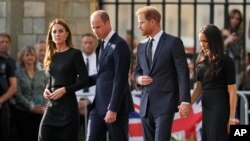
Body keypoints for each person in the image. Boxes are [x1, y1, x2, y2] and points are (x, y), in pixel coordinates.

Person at [134, 6, 191, 141]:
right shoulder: (141, 45)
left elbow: (183, 72)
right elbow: (137, 72)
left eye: (141, 22)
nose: (139, 26)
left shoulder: (173, 42)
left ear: (152, 22)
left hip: (166, 103)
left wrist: (185, 101)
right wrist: (139, 79)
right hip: (145, 105)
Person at [86, 10, 134, 141]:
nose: (95, 30)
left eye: (98, 27)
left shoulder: (120, 45)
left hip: (115, 108)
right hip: (98, 106)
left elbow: (120, 79)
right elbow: (104, 75)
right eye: (93, 27)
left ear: (108, 23)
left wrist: (113, 109)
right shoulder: (101, 44)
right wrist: (82, 81)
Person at [38, 18, 89, 141]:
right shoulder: (51, 55)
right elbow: (52, 79)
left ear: (67, 34)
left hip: (68, 107)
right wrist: (46, 89)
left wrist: (65, 90)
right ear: (50, 35)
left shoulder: (75, 54)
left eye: (61, 31)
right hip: (52, 107)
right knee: (43, 135)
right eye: (54, 32)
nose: (57, 34)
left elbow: (84, 80)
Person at [191, 24, 237, 141]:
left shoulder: (226, 61)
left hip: (220, 107)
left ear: (214, 40)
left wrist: (231, 118)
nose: (202, 44)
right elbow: (199, 88)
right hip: (206, 108)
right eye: (200, 41)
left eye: (205, 41)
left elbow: (232, 91)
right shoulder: (201, 61)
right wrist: (187, 103)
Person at [15, 46, 47, 141]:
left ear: (35, 57)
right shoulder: (18, 74)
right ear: (22, 57)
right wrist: (30, 107)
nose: (30, 57)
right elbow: (17, 93)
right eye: (27, 55)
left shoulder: (42, 73)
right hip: (23, 112)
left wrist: (44, 106)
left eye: (32, 55)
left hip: (41, 112)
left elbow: (46, 90)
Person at [76, 33, 98, 140]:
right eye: (85, 43)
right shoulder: (75, 60)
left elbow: (101, 82)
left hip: (94, 104)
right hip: (75, 104)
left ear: (95, 44)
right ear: (81, 44)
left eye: (90, 43)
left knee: (91, 135)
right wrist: (78, 101)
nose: (88, 45)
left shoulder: (100, 61)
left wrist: (89, 100)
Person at [0, 33, 17, 141]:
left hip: (5, 104)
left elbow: (13, 86)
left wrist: (1, 100)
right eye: (2, 42)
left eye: (7, 42)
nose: (4, 44)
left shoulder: (10, 62)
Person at [222, 9, 244, 77]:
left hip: (236, 67)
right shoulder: (222, 32)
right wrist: (227, 41)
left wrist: (229, 36)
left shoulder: (240, 34)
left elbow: (238, 52)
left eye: (237, 19)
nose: (235, 21)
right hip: (223, 66)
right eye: (232, 18)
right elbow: (217, 49)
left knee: (234, 87)